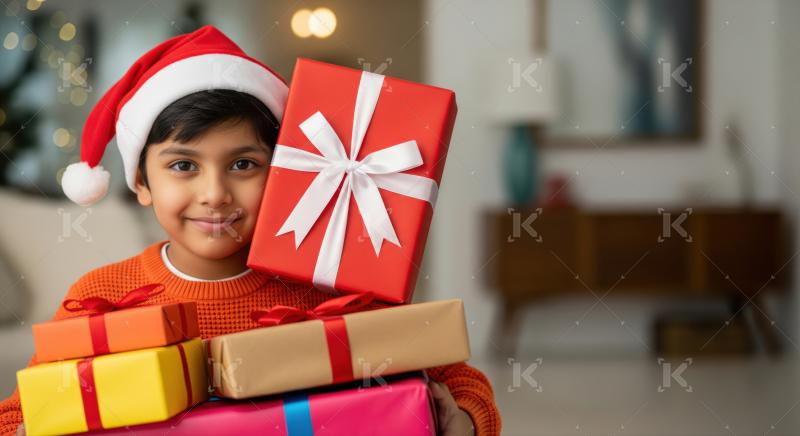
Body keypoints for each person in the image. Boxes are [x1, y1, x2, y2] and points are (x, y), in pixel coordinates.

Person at [0, 25, 500, 436]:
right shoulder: (99, 298)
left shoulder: (336, 287)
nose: (215, 193)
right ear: (140, 182)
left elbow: (461, 382)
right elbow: (18, 413)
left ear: (283, 172)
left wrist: (459, 421)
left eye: (242, 164)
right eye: (182, 166)